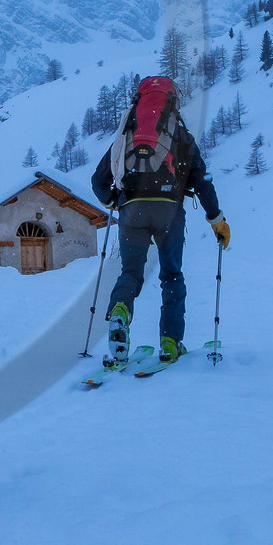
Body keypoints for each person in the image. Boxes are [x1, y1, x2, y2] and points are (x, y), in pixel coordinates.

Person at [89, 76, 230, 369]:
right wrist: (216, 219)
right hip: (169, 211)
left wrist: (114, 200)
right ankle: (170, 342)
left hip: (132, 209)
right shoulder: (180, 135)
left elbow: (98, 181)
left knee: (130, 272)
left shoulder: (126, 135)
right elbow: (202, 181)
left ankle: (120, 312)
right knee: (171, 274)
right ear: (173, 102)